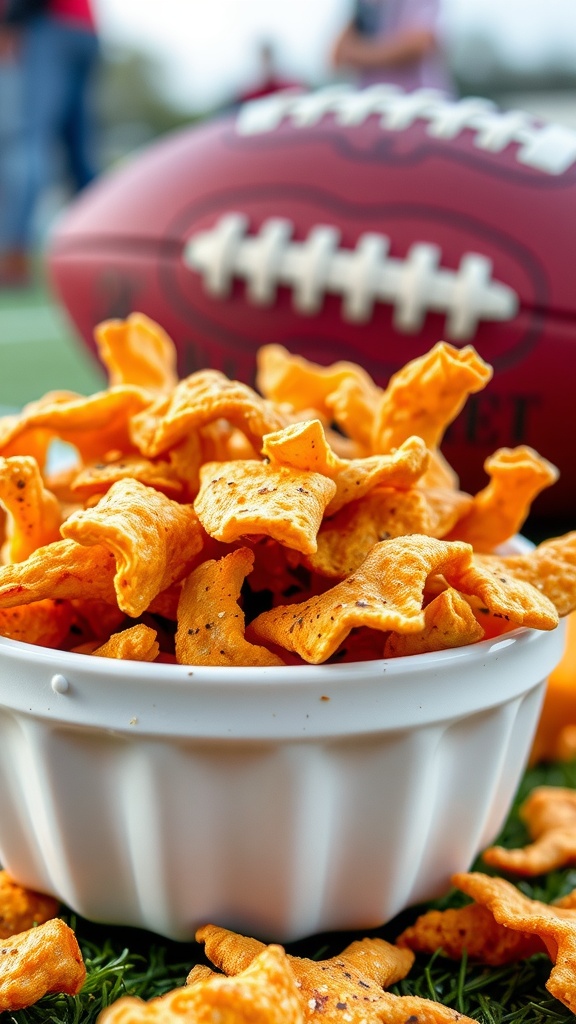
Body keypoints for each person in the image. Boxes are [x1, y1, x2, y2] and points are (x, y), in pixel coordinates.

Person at [0, 0, 100, 287]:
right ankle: (98, 250)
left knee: (28, 141)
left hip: (46, 27)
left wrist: (11, 23)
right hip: (83, 30)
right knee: (79, 151)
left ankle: (12, 257)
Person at [330, 0, 454, 97]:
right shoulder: (364, 8)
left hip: (418, 105)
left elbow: (419, 45)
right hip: (374, 108)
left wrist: (360, 55)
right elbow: (336, 59)